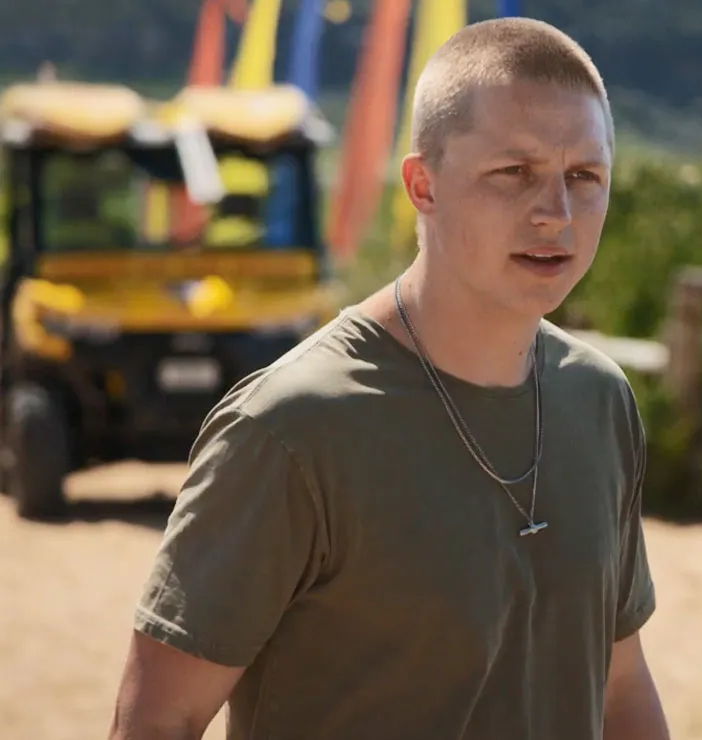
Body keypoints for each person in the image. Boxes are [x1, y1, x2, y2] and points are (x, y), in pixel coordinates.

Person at [107, 16, 670, 740]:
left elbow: (618, 683)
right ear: (422, 185)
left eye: (584, 177)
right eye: (514, 173)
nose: (556, 214)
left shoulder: (599, 401)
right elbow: (160, 717)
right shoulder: (290, 428)